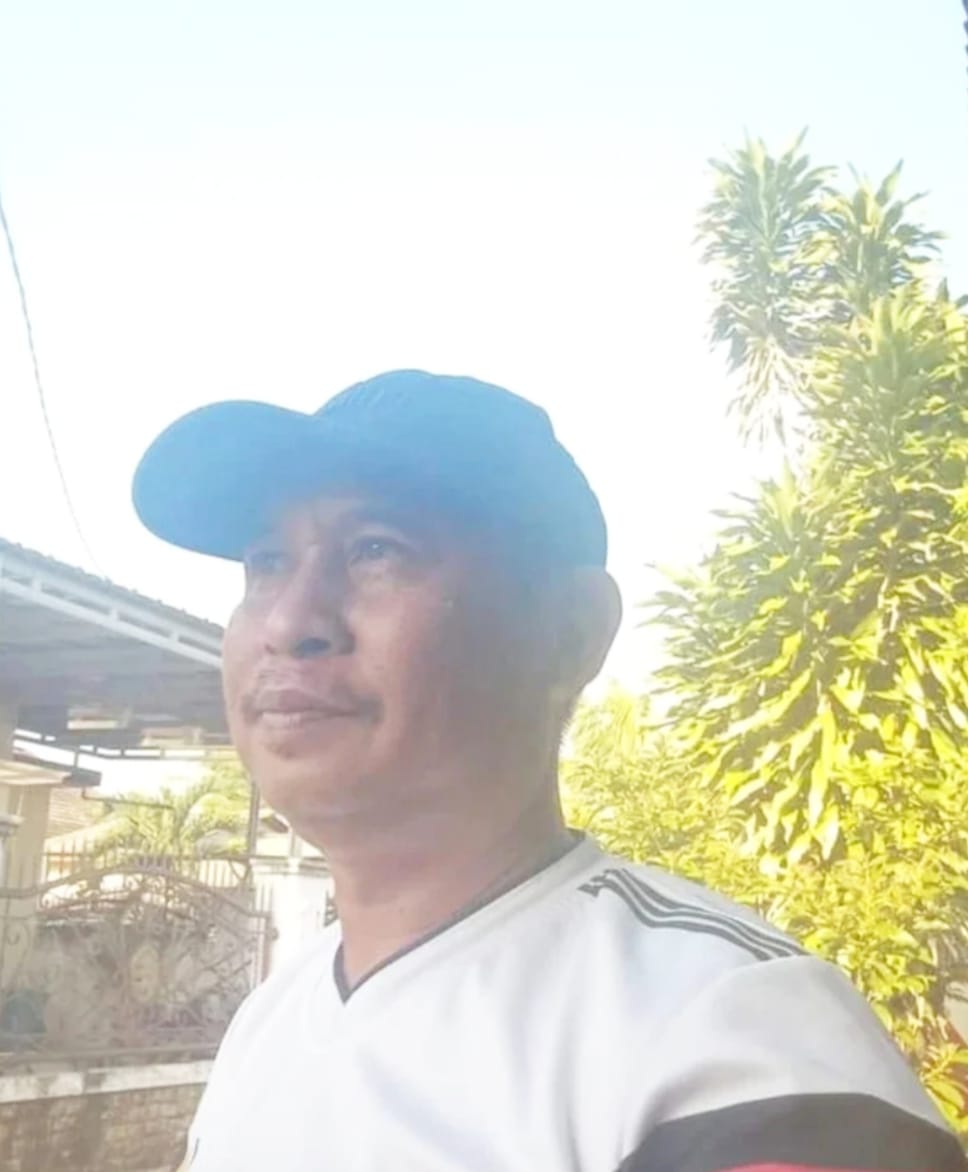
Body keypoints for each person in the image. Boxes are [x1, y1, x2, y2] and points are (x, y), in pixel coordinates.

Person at [134, 370, 967, 1172]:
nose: (289, 621)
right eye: (266, 563)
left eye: (376, 550)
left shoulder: (734, 1048)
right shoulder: (270, 1023)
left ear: (571, 634)